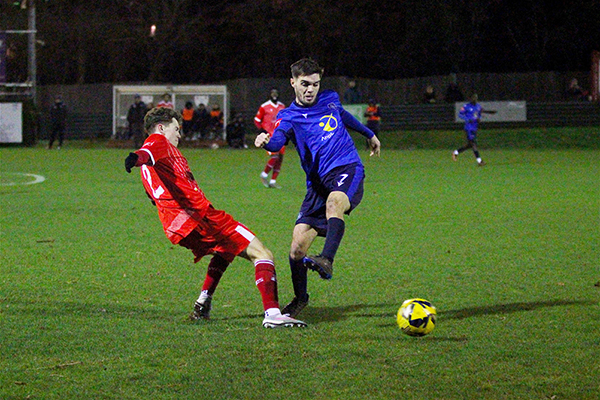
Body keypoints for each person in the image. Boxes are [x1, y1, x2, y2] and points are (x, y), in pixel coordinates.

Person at [124, 107, 306, 329]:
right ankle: (273, 314)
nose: (179, 134)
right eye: (176, 129)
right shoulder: (158, 141)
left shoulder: (155, 165)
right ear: (161, 128)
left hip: (177, 227)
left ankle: (203, 302)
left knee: (226, 249)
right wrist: (135, 158)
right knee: (263, 253)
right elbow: (146, 152)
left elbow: (154, 195)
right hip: (201, 218)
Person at [254, 58, 381, 318]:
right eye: (305, 84)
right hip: (317, 185)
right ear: (293, 83)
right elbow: (277, 141)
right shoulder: (288, 117)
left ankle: (327, 259)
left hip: (347, 167)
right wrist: (265, 142)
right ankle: (301, 298)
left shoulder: (330, 99)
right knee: (297, 248)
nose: (311, 89)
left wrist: (369, 134)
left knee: (335, 204)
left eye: (315, 84)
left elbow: (343, 115)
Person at [452, 93, 496, 166]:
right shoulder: (466, 106)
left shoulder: (478, 106)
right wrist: (467, 119)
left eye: (476, 98)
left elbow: (479, 115)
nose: (474, 99)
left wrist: (479, 119)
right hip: (468, 128)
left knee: (470, 145)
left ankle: (456, 152)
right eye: (473, 98)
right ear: (470, 99)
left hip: (475, 127)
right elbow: (460, 114)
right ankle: (479, 161)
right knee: (473, 144)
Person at [254, 88, 286, 188]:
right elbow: (257, 120)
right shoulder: (264, 106)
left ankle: (273, 181)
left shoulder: (282, 106)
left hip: (280, 136)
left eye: (276, 93)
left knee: (280, 158)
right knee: (274, 156)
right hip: (269, 136)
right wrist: (262, 131)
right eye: (273, 93)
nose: (274, 95)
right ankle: (264, 175)